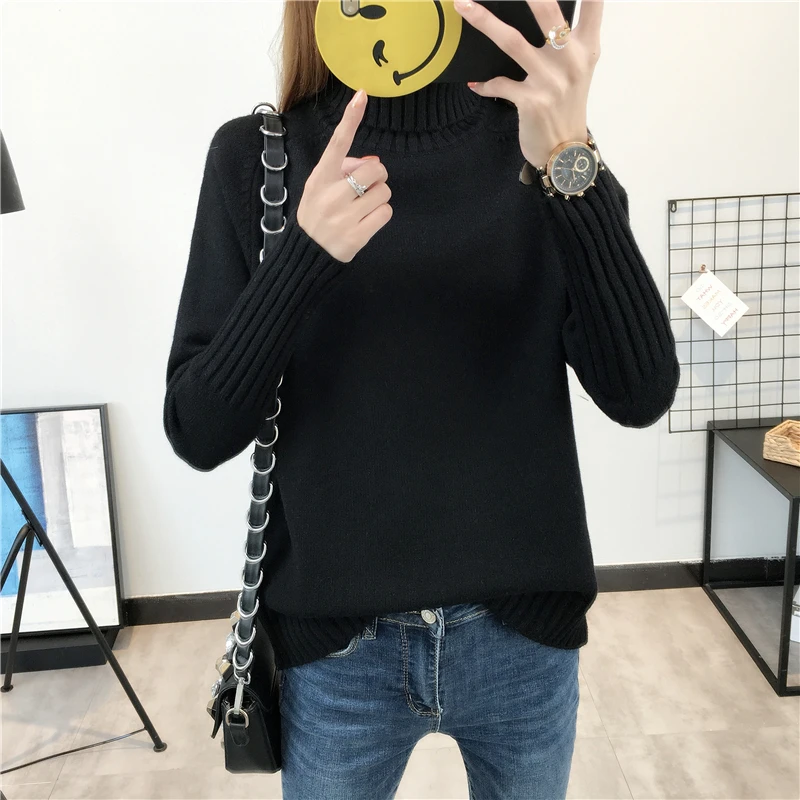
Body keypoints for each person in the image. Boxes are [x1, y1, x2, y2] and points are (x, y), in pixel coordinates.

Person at [162, 1, 679, 797]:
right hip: (337, 652)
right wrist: (302, 258)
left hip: (523, 637)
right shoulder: (258, 157)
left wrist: (571, 160)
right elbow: (197, 430)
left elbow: (639, 391)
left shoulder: (542, 147)